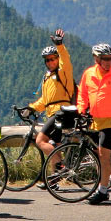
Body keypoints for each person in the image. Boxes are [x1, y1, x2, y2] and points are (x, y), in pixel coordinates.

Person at [76, 43, 111, 205]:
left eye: (110, 58)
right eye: (105, 59)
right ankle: (105, 178)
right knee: (96, 153)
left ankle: (103, 191)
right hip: (95, 120)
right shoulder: (89, 74)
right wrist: (81, 109)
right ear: (97, 59)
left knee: (103, 153)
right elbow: (82, 94)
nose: (108, 62)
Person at [26, 29, 74, 180]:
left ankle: (62, 168)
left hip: (62, 112)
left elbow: (65, 60)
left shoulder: (63, 72)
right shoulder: (48, 77)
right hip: (53, 113)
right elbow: (45, 101)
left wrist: (60, 45)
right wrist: (31, 108)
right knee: (55, 145)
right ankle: (54, 180)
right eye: (46, 60)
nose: (49, 62)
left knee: (41, 140)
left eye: (52, 59)